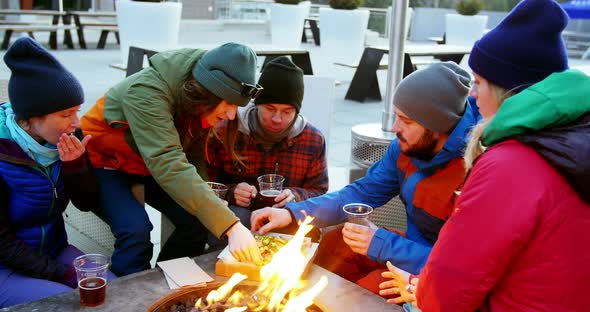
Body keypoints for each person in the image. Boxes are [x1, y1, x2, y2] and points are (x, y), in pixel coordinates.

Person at [383, 1, 590, 311]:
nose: (472, 94)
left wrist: (417, 287)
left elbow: (447, 289)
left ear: (508, 90)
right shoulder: (573, 139)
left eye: (478, 82)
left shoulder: (508, 164)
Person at [251, 61, 480, 295]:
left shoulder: (478, 170)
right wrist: (292, 213)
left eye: (406, 121)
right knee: (335, 242)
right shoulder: (405, 147)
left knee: (364, 291)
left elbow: (465, 267)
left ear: (438, 126)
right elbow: (359, 194)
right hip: (409, 246)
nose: (394, 128)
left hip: (437, 273)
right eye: (397, 116)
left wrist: (381, 244)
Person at [80, 42, 263, 276]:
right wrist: (231, 225)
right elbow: (167, 161)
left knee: (198, 219)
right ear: (208, 92)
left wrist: (209, 202)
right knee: (136, 231)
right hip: (105, 162)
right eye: (228, 104)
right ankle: (129, 296)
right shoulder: (146, 92)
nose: (230, 115)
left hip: (146, 164)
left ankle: (168, 281)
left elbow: (193, 155)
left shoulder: (197, 95)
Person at [0, 38, 114, 307]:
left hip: (54, 250)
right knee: (67, 303)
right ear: (29, 119)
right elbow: (2, 244)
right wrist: (63, 274)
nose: (76, 123)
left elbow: (86, 204)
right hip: (6, 264)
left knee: (114, 289)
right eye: (65, 114)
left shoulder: (65, 140)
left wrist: (76, 165)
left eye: (77, 111)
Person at [206, 56, 328, 248]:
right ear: (256, 103)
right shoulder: (226, 130)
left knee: (306, 231)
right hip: (239, 218)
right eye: (270, 109)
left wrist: (295, 196)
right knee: (230, 222)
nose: (277, 119)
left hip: (288, 217)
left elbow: (320, 192)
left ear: (297, 111)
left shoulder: (312, 139)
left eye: (287, 112)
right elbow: (206, 183)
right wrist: (231, 192)